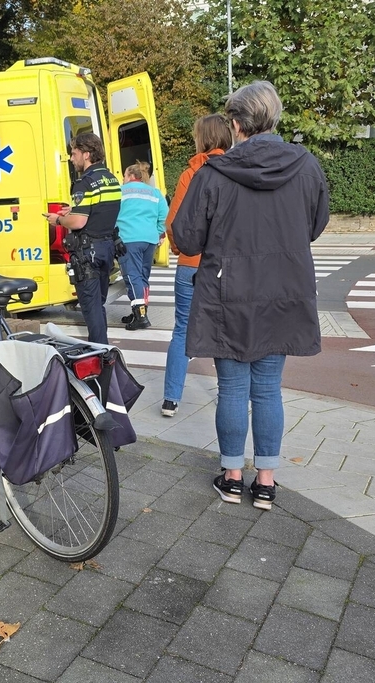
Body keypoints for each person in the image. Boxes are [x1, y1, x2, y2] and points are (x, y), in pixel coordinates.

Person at [171, 81, 329, 511]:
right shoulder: (306, 166)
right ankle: (267, 482)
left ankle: (233, 476)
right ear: (273, 119)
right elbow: (315, 224)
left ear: (237, 124)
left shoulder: (212, 173)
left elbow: (185, 238)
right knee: (268, 390)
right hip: (283, 290)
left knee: (233, 389)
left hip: (228, 294)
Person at [161, 114, 232, 417]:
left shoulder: (191, 173)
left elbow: (173, 222)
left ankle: (171, 398)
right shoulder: (239, 172)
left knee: (182, 330)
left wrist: (182, 251)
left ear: (202, 138)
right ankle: (230, 394)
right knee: (224, 331)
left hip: (190, 265)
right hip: (225, 266)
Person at [44, 133, 121, 345]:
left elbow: (78, 222)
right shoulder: (111, 179)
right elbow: (101, 209)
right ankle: (103, 350)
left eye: (74, 153)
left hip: (88, 253)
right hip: (107, 248)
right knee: (99, 304)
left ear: (86, 154)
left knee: (91, 308)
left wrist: (59, 219)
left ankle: (100, 356)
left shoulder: (84, 183)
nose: (71, 158)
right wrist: (76, 210)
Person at [115, 161, 167, 331]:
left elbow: (111, 215)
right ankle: (139, 311)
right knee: (142, 277)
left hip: (129, 238)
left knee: (132, 277)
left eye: (124, 176)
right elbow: (164, 216)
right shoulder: (155, 193)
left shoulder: (120, 192)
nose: (123, 179)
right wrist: (158, 232)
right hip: (149, 240)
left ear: (130, 176)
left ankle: (141, 317)